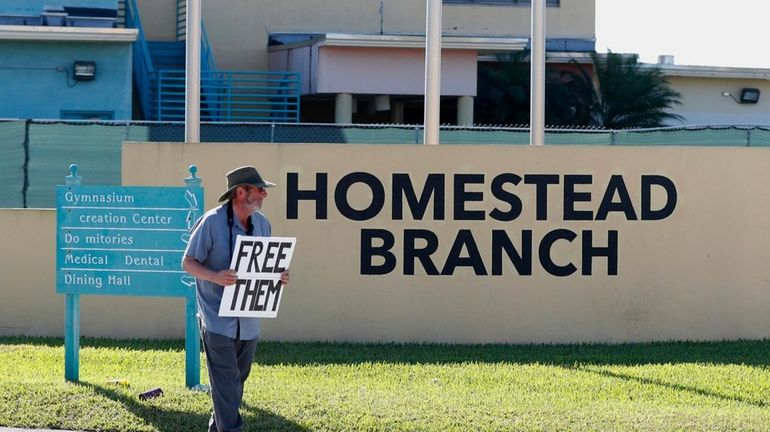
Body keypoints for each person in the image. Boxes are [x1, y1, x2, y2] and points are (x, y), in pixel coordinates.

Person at [183, 166, 290, 432]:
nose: (265, 194)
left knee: (234, 384)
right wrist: (215, 276)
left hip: (249, 320)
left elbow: (264, 266)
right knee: (227, 384)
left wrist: (279, 275)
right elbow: (187, 263)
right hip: (217, 319)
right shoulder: (211, 222)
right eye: (259, 189)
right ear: (240, 192)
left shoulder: (263, 224)